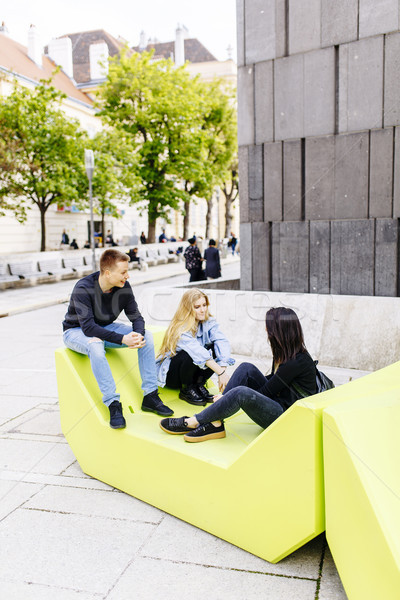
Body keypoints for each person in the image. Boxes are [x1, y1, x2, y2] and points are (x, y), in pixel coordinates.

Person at [160, 307, 317, 442]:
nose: (266, 330)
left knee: (241, 393)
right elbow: (277, 382)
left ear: (280, 331)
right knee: (246, 368)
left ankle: (194, 421)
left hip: (285, 417)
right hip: (280, 402)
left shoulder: (296, 362)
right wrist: (226, 398)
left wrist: (227, 397)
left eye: (269, 327)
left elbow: (266, 393)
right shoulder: (286, 354)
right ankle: (215, 423)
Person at [62, 248, 173, 429]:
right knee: (96, 346)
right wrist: (122, 339)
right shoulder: (83, 288)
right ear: (107, 273)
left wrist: (137, 335)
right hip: (76, 331)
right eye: (123, 272)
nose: (127, 276)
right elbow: (89, 328)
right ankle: (113, 404)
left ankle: (150, 396)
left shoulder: (123, 287)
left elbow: (137, 318)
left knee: (148, 337)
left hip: (105, 327)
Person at [156, 289, 234, 407]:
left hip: (192, 370)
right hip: (173, 376)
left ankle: (198, 384)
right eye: (197, 307)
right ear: (187, 309)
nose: (203, 310)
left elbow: (221, 341)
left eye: (204, 305)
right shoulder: (181, 328)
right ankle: (187, 389)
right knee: (190, 353)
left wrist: (222, 369)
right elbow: (197, 352)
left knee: (213, 346)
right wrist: (220, 372)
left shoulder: (208, 322)